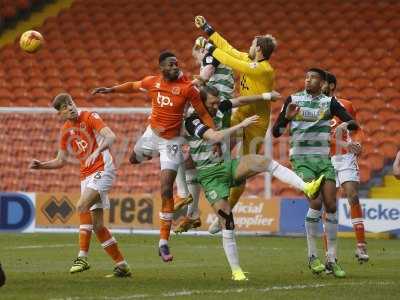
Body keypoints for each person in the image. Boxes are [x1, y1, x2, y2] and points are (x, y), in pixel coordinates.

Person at [185, 85, 324, 280]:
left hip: (228, 165)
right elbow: (214, 136)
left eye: (218, 103)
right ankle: (236, 270)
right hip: (209, 176)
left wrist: (266, 96)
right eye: (212, 103)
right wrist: (241, 125)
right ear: (202, 103)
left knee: (263, 161)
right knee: (227, 220)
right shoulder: (193, 120)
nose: (217, 106)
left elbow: (241, 101)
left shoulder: (221, 106)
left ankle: (307, 187)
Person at [92, 51, 215, 262]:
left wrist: (214, 137)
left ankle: (163, 243)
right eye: (171, 64)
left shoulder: (187, 89)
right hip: (151, 135)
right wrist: (110, 89)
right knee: (132, 159)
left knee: (166, 188)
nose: (176, 67)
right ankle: (151, 156)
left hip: (172, 143)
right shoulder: (152, 82)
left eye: (177, 64)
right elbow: (132, 85)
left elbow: (203, 113)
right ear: (162, 68)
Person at [29, 93, 131, 277]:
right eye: (65, 107)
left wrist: (98, 150)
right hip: (86, 176)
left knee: (81, 206)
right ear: (60, 114)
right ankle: (122, 265)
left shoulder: (90, 116)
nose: (70, 107)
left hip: (103, 168)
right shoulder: (65, 130)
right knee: (98, 226)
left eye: (70, 103)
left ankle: (82, 258)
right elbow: (60, 161)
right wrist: (42, 166)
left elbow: (111, 136)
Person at [272, 68, 360, 278]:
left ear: (322, 84)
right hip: (301, 160)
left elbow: (353, 122)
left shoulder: (329, 103)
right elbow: (276, 132)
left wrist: (344, 125)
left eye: (313, 78)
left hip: (323, 160)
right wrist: (286, 117)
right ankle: (312, 256)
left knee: (331, 204)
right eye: (306, 77)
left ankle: (332, 259)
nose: (308, 80)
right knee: (316, 202)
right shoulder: (293, 99)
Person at [194, 16, 277, 233]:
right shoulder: (252, 62)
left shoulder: (264, 69)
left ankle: (226, 211)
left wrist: (208, 47)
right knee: (219, 138)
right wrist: (207, 29)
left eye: (251, 44)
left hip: (257, 124)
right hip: (241, 113)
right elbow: (229, 49)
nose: (248, 47)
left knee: (243, 170)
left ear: (258, 49)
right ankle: (215, 169)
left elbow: (232, 61)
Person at [174, 37, 236, 233]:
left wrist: (187, 87)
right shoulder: (223, 58)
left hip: (214, 110)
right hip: (220, 110)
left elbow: (206, 74)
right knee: (189, 162)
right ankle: (193, 214)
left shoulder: (212, 56)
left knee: (172, 146)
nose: (197, 57)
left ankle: (205, 212)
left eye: (198, 52)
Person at [322, 72, 368, 263]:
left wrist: (358, 143)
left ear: (331, 86)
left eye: (323, 82)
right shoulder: (314, 109)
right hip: (327, 159)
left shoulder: (345, 105)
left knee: (353, 195)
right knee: (329, 205)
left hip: (346, 157)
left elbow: (356, 129)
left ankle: (361, 246)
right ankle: (329, 254)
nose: (319, 85)